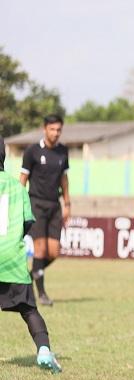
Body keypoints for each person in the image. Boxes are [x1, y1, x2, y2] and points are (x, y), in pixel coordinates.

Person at [1, 140, 62, 373]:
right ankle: (44, 350)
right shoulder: (17, 187)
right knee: (28, 309)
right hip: (11, 259)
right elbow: (27, 222)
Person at [20, 114, 70, 306]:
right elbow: (23, 179)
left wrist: (67, 204)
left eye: (59, 130)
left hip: (54, 206)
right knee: (39, 249)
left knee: (54, 252)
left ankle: (32, 274)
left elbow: (64, 180)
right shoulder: (32, 151)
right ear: (44, 129)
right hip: (36, 204)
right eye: (52, 129)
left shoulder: (63, 152)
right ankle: (41, 294)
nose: (56, 133)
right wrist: (20, 203)